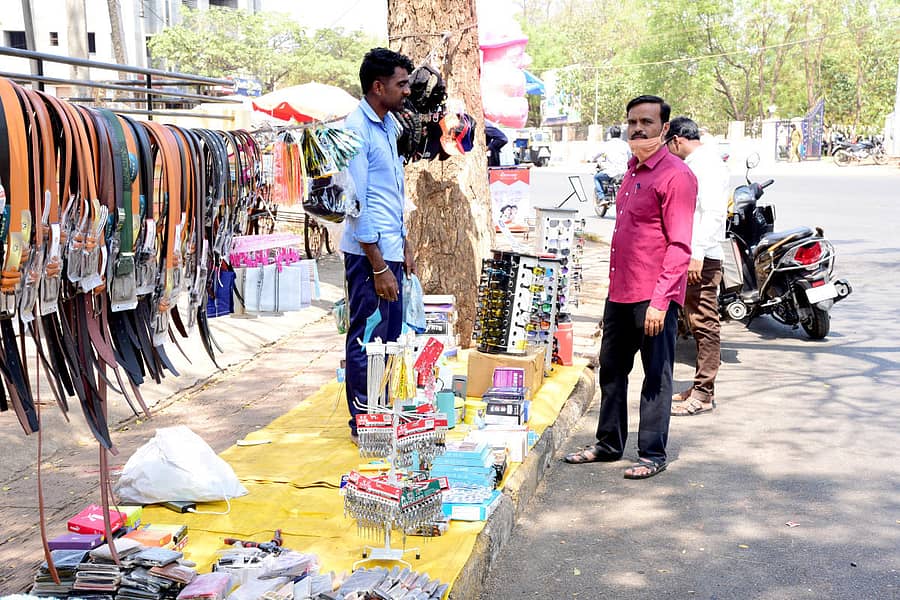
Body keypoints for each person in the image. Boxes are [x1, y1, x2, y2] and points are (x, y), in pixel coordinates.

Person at [563, 95, 697, 479]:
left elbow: (680, 245)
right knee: (612, 371)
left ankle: (652, 453)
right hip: (620, 292)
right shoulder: (631, 171)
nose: (638, 129)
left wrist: (660, 301)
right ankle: (608, 444)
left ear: (664, 129)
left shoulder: (676, 175)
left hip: (653, 296)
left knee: (656, 376)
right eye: (633, 122)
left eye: (647, 122)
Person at [341, 48, 416, 444]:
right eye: (400, 84)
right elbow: (357, 203)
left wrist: (403, 249)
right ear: (377, 86)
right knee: (367, 338)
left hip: (389, 249)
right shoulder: (356, 129)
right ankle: (364, 423)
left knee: (389, 338)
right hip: (369, 255)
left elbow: (392, 194)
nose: (406, 91)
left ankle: (383, 413)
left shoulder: (387, 125)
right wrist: (378, 265)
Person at [664, 117, 729, 416]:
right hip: (692, 253)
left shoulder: (707, 165)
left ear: (677, 140)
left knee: (704, 323)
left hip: (702, 256)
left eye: (669, 145)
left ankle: (704, 394)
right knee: (693, 320)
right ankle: (698, 386)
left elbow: (714, 212)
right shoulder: (698, 163)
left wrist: (697, 253)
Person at [591, 125, 630, 198]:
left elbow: (597, 154)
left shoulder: (606, 144)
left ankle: (602, 197)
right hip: (623, 173)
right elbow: (630, 157)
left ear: (610, 134)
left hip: (611, 172)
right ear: (620, 135)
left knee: (596, 177)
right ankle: (611, 191)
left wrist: (592, 159)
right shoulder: (625, 145)